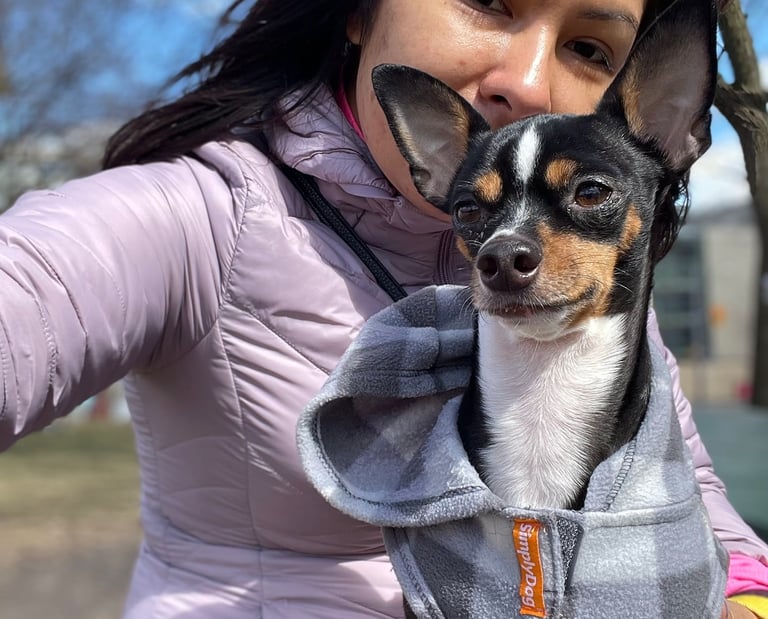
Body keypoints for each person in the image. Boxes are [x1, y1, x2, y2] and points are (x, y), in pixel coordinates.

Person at [0, 0, 766, 617]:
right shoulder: (197, 218)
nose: (529, 81)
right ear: (358, 11)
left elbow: (679, 478)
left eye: (590, 50)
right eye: (488, 1)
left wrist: (747, 592)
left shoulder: (595, 292)